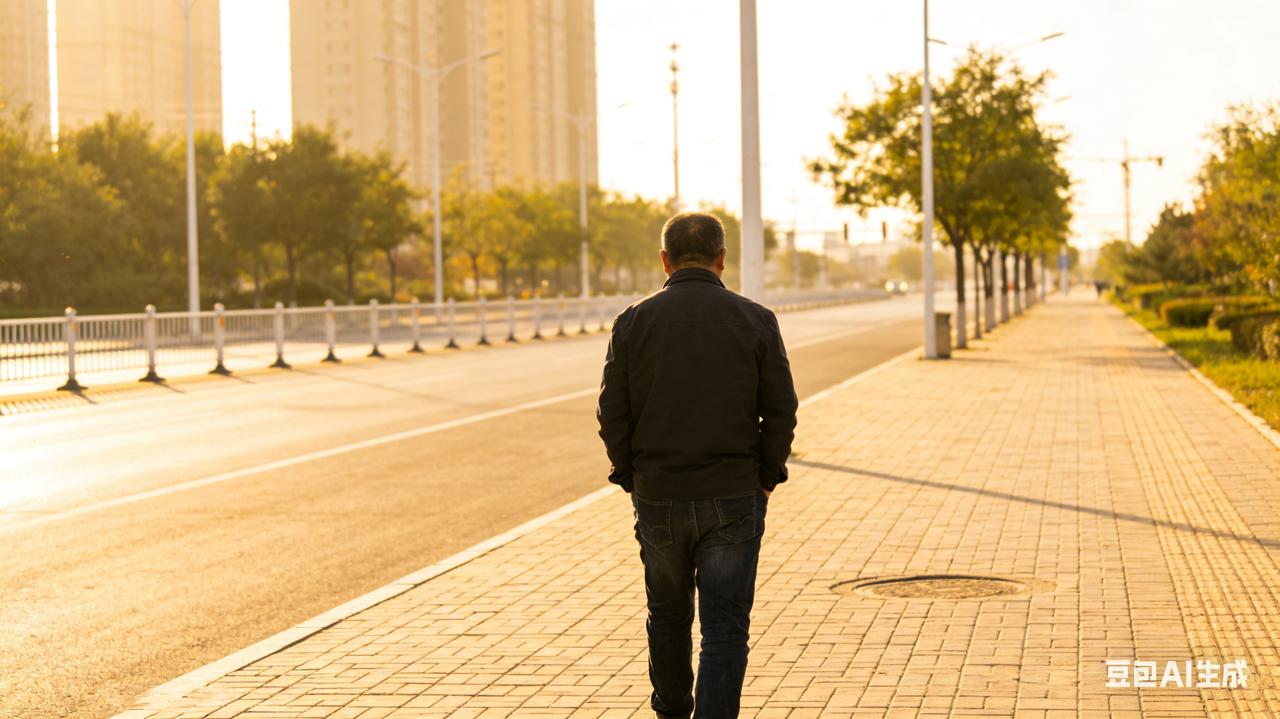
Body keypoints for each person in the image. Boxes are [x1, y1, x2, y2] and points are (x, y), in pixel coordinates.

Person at [597, 212, 799, 718]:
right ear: (722, 259)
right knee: (725, 627)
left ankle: (670, 711)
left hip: (659, 493)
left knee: (666, 616)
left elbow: (612, 412)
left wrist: (632, 476)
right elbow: (780, 409)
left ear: (664, 260)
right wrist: (766, 478)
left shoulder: (634, 321)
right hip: (733, 493)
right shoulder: (755, 319)